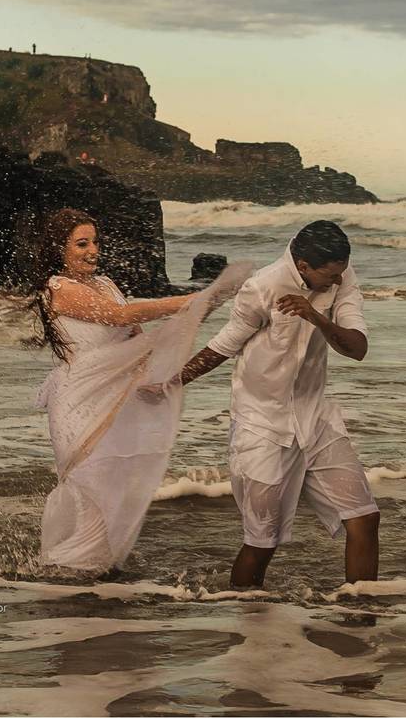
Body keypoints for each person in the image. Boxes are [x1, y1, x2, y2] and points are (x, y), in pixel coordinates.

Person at [146, 220, 380, 589]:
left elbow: (358, 349)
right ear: (303, 267)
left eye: (340, 274)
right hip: (261, 424)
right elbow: (223, 345)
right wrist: (171, 383)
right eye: (329, 275)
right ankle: (250, 631)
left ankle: (362, 621)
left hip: (316, 417)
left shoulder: (342, 276)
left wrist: (315, 315)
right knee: (261, 542)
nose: (337, 282)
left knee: (364, 517)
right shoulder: (263, 286)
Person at [28, 207, 248, 572]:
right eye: (81, 243)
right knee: (91, 482)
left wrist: (157, 374)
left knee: (116, 484)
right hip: (80, 400)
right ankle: (69, 569)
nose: (92, 250)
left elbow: (136, 336)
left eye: (95, 242)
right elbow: (119, 317)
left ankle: (91, 569)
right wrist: (192, 300)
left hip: (118, 395)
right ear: (59, 248)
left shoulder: (105, 284)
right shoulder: (59, 287)